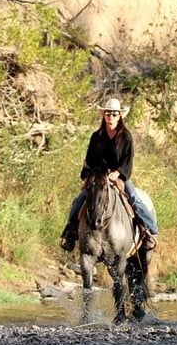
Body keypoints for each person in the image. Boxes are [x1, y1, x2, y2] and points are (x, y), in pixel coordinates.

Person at [60, 97, 158, 252]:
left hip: (118, 177)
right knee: (79, 200)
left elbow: (128, 162)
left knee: (134, 198)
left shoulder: (126, 137)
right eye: (108, 114)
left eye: (114, 114)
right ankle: (70, 232)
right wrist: (88, 176)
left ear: (119, 116)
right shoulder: (96, 136)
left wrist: (117, 173)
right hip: (97, 178)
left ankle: (149, 232)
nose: (110, 117)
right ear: (103, 116)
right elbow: (89, 160)